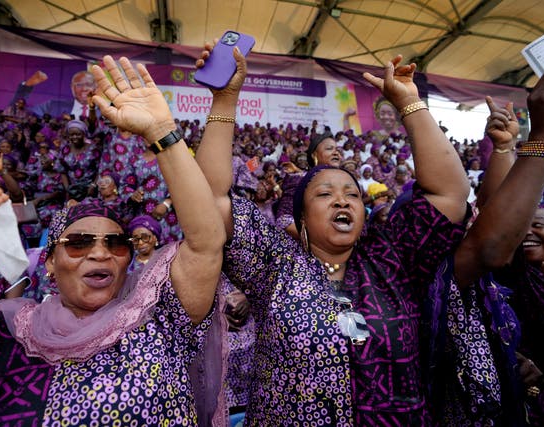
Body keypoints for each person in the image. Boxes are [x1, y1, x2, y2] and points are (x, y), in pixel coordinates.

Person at [0, 54, 227, 426]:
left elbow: (206, 242)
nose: (100, 253)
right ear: (49, 261)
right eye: (80, 243)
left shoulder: (159, 320)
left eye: (116, 244)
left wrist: (162, 131)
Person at [196, 44, 469, 425]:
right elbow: (209, 198)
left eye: (352, 195)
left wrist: (411, 104)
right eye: (325, 194)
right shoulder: (275, 265)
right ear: (301, 218)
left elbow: (449, 195)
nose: (343, 201)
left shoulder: (393, 259)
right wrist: (225, 101)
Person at [425, 72, 544, 426]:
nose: (525, 233)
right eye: (522, 225)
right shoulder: (504, 274)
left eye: (537, 225)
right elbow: (494, 228)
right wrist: (516, 146)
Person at [11, 70, 99, 120]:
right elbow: (21, 111)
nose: (84, 89)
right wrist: (27, 86)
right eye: (79, 85)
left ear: (95, 88)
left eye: (89, 85)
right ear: (72, 87)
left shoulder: (104, 112)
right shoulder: (53, 105)